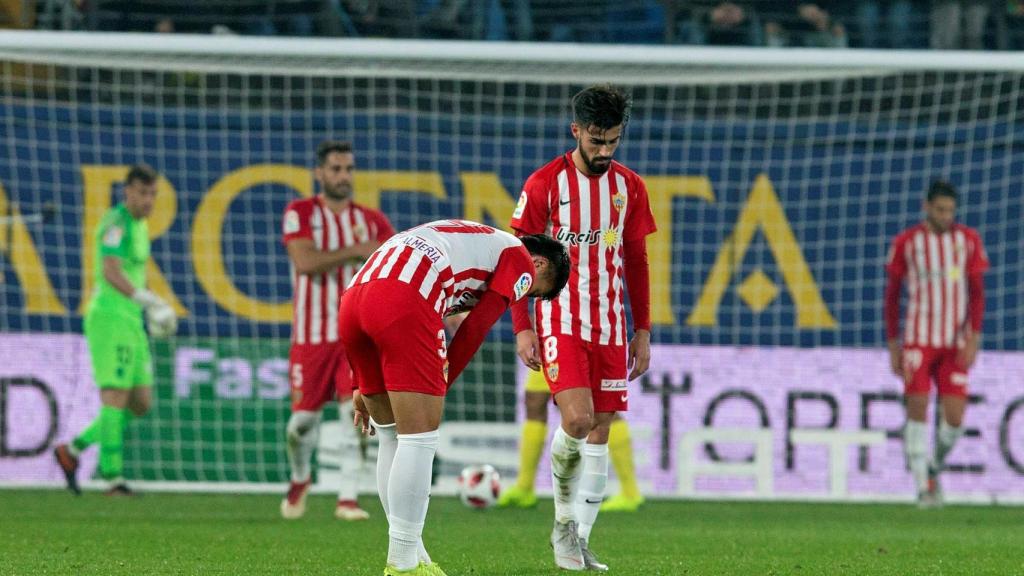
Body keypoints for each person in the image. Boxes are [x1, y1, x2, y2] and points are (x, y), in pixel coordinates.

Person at [341, 220, 569, 576]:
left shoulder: (478, 243)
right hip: (404, 297)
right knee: (418, 439)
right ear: (539, 266)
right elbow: (477, 325)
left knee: (390, 435)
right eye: (536, 293)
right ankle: (401, 565)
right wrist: (440, 382)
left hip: (355, 299)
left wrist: (358, 381)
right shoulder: (520, 259)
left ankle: (415, 556)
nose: (525, 297)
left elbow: (378, 293)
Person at [510, 84, 656, 572]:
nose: (604, 151)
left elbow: (635, 259)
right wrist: (521, 326)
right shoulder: (544, 184)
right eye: (596, 141)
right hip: (560, 319)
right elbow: (516, 260)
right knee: (576, 420)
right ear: (576, 131)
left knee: (600, 432)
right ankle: (561, 523)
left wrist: (643, 330)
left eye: (612, 141)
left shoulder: (630, 187)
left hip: (611, 326)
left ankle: (578, 544)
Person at [279, 140, 395, 521]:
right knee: (301, 424)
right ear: (319, 173)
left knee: (354, 415)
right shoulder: (300, 213)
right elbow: (306, 261)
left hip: (356, 336)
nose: (343, 176)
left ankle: (348, 497)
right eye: (335, 169)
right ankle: (300, 478)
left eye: (348, 169)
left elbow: (395, 263)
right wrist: (357, 249)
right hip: (310, 338)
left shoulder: (373, 220)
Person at [54, 164, 177, 496]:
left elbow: (133, 272)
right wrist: (146, 299)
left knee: (141, 402)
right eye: (142, 193)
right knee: (115, 397)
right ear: (128, 192)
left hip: (131, 320)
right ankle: (113, 478)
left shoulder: (140, 226)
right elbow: (110, 271)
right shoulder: (116, 223)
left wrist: (148, 305)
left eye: (153, 194)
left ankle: (73, 449)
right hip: (109, 318)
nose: (148, 200)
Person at [884, 180, 989, 508]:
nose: (946, 216)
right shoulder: (908, 243)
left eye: (950, 210)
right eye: (940, 209)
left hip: (955, 343)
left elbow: (977, 293)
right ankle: (922, 489)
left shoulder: (967, 241)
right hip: (918, 339)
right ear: (926, 207)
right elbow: (892, 296)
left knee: (954, 421)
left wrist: (974, 338)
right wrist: (893, 343)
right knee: (917, 410)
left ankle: (932, 466)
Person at [498, 370, 645, 513]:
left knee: (600, 405)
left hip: (577, 347)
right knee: (535, 399)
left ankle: (630, 492)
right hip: (549, 347)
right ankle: (525, 488)